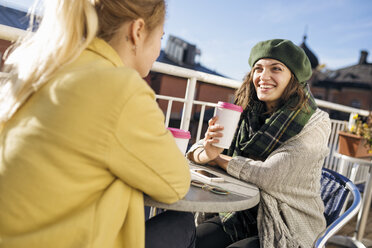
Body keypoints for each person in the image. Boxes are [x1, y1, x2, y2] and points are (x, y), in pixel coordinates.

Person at [0, 1, 195, 248]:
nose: (159, 50)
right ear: (137, 31)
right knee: (183, 223)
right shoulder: (121, 87)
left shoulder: (48, 66)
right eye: (161, 38)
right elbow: (175, 183)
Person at [188, 39, 331, 247]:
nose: (263, 77)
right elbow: (196, 149)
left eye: (276, 69)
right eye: (258, 69)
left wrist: (217, 158)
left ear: (294, 77)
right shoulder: (245, 112)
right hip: (240, 214)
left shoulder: (315, 123)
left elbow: (269, 174)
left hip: (286, 223)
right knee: (194, 241)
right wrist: (207, 153)